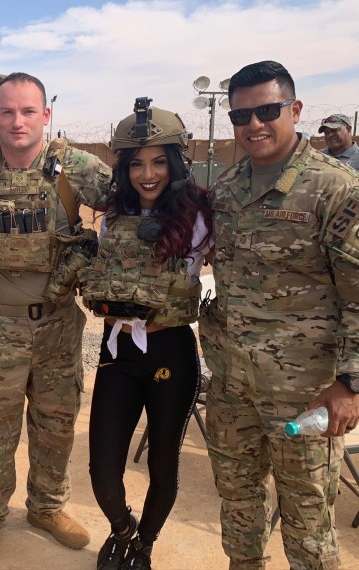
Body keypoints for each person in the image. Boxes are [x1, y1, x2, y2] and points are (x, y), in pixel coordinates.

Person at [199, 60, 359, 570]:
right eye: (241, 115)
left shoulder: (335, 189)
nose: (253, 125)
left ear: (295, 109)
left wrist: (350, 383)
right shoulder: (227, 189)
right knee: (239, 503)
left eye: (267, 110)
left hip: (305, 391)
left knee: (309, 520)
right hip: (233, 385)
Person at [0, 72, 112, 567]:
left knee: (56, 423)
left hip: (59, 325)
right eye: (6, 111)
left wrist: (91, 256)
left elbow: (131, 210)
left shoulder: (78, 168)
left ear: (46, 115)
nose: (16, 121)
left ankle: (46, 508)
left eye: (27, 111)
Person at [80, 98, 212, 570]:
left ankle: (145, 544)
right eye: (136, 163)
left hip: (170, 352)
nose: (147, 174)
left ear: (177, 162)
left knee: (163, 464)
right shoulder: (115, 214)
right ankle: (122, 527)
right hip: (118, 350)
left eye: (159, 161)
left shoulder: (200, 217)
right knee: (102, 472)